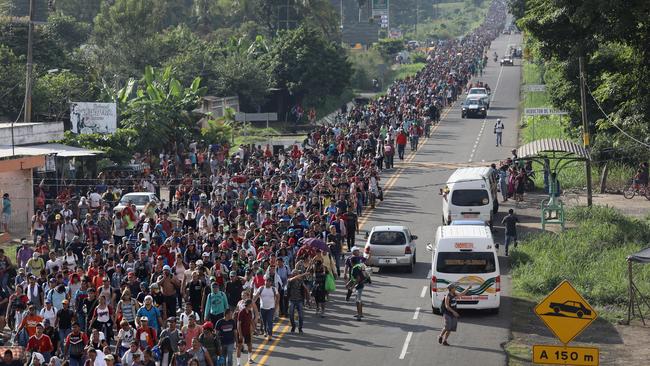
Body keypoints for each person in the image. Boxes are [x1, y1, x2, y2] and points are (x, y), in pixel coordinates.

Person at [253, 276, 279, 340]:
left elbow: (278, 297)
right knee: (264, 321)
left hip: (271, 308)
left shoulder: (274, 289)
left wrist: (276, 306)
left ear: (271, 283)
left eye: (269, 281)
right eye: (266, 281)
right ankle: (265, 331)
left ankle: (270, 334)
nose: (267, 282)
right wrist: (252, 303)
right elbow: (256, 297)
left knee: (270, 321)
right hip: (262, 308)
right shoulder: (261, 288)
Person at [236, 300, 255, 366]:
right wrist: (240, 334)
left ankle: (249, 359)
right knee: (239, 347)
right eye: (251, 304)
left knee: (249, 345)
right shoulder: (241, 312)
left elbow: (251, 320)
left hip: (247, 332)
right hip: (241, 332)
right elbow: (238, 324)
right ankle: (238, 363)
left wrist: (255, 329)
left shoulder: (250, 312)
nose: (252, 305)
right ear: (249, 304)